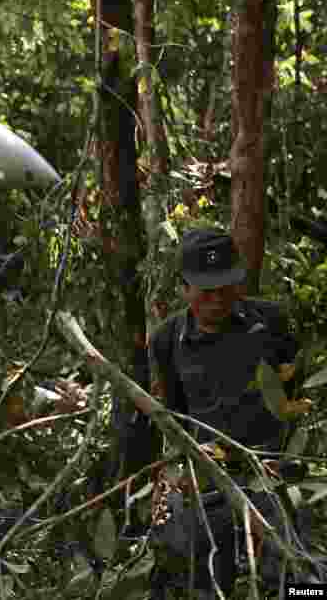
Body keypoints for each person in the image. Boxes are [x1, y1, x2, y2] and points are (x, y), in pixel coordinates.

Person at [118, 228, 317, 597]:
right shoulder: (167, 340)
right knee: (203, 579)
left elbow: (293, 391)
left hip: (269, 475)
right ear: (184, 288)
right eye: (206, 291)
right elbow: (175, 418)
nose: (217, 300)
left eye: (225, 288)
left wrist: (284, 454)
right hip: (208, 481)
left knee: (302, 581)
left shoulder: (271, 322)